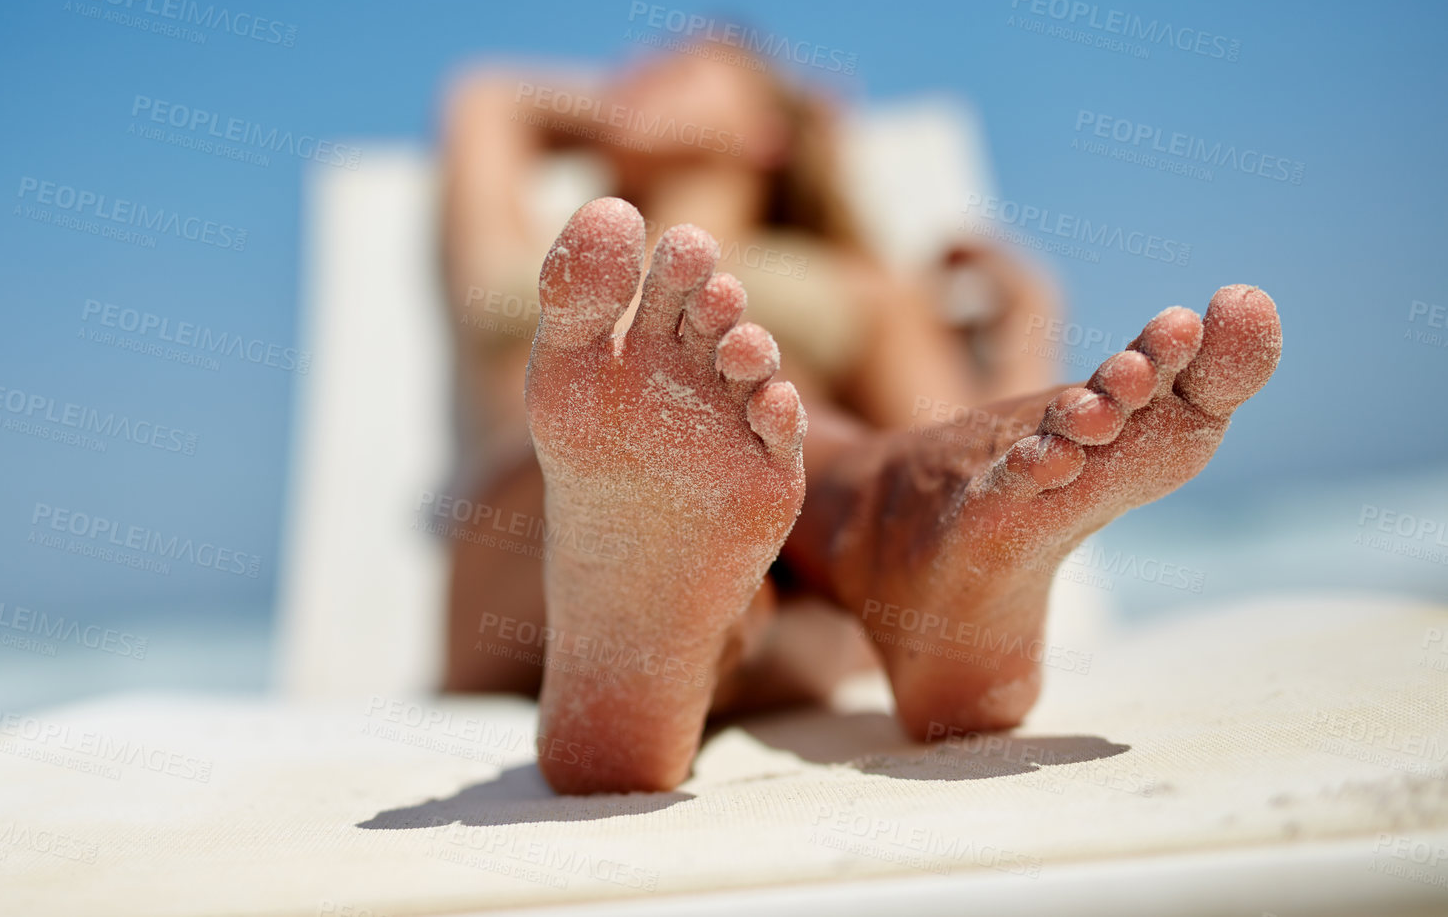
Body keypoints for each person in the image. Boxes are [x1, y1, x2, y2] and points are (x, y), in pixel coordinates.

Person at [435, 42, 1282, 794]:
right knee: (624, 449)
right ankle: (820, 531)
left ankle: (652, 654)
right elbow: (489, 95)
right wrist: (664, 112)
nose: (635, 75)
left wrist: (1031, 326)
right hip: (525, 547)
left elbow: (965, 474)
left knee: (793, 499)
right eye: (630, 71)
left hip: (770, 578)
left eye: (684, 67)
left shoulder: (861, 283)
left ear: (769, 134)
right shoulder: (532, 248)